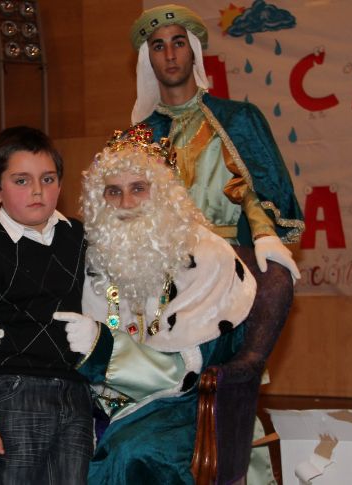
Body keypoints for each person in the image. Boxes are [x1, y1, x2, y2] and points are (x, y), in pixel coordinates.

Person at [51, 126, 257, 484]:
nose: (126, 204)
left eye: (138, 189)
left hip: (183, 408)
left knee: (135, 453)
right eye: (113, 192)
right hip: (104, 402)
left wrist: (101, 350)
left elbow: (189, 371)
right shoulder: (97, 259)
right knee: (38, 437)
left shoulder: (208, 257)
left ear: (163, 194)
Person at [0, 126, 93, 484]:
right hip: (15, 392)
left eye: (47, 179)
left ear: (60, 185)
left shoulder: (79, 238)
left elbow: (107, 297)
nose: (37, 190)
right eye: (21, 180)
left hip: (75, 390)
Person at [129, 4, 304, 281]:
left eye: (179, 43)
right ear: (148, 58)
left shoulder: (238, 119)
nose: (171, 55)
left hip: (232, 266)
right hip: (164, 275)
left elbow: (254, 189)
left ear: (193, 51)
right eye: (159, 46)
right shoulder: (137, 139)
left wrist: (265, 235)